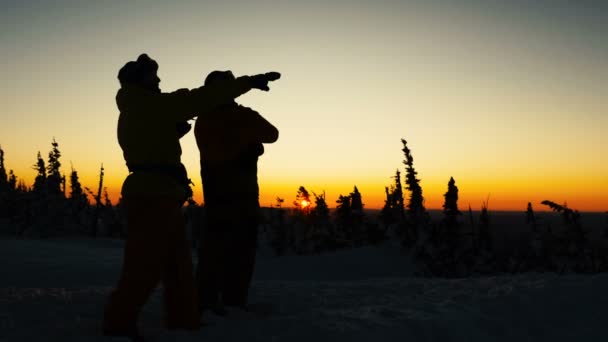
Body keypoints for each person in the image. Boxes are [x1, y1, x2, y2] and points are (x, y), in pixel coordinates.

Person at [102, 54, 280, 341]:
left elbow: (147, 145)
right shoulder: (150, 105)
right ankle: (117, 325)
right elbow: (199, 98)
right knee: (144, 267)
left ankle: (184, 322)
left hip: (162, 196)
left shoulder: (140, 109)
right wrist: (247, 83)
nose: (159, 81)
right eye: (153, 77)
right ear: (141, 81)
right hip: (152, 197)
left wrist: (168, 132)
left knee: (179, 268)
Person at [194, 70, 279, 317]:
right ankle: (217, 302)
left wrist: (246, 137)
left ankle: (219, 301)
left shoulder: (208, 118)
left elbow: (270, 135)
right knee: (228, 251)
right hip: (232, 194)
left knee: (226, 250)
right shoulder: (227, 116)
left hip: (227, 194)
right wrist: (248, 140)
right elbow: (269, 134)